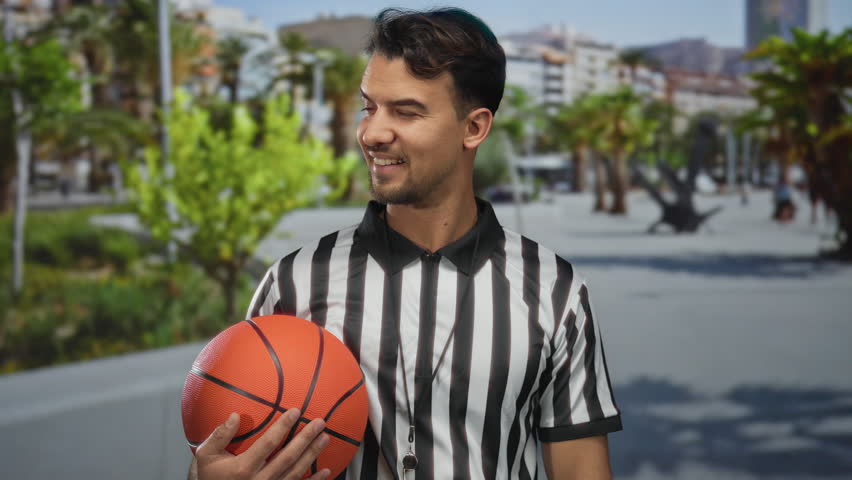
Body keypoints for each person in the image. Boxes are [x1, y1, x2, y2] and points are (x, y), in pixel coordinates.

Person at [190, 7, 621, 480]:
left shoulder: (554, 289)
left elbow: (582, 470)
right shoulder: (294, 282)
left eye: (407, 112)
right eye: (369, 106)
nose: (373, 133)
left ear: (474, 128)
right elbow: (233, 453)